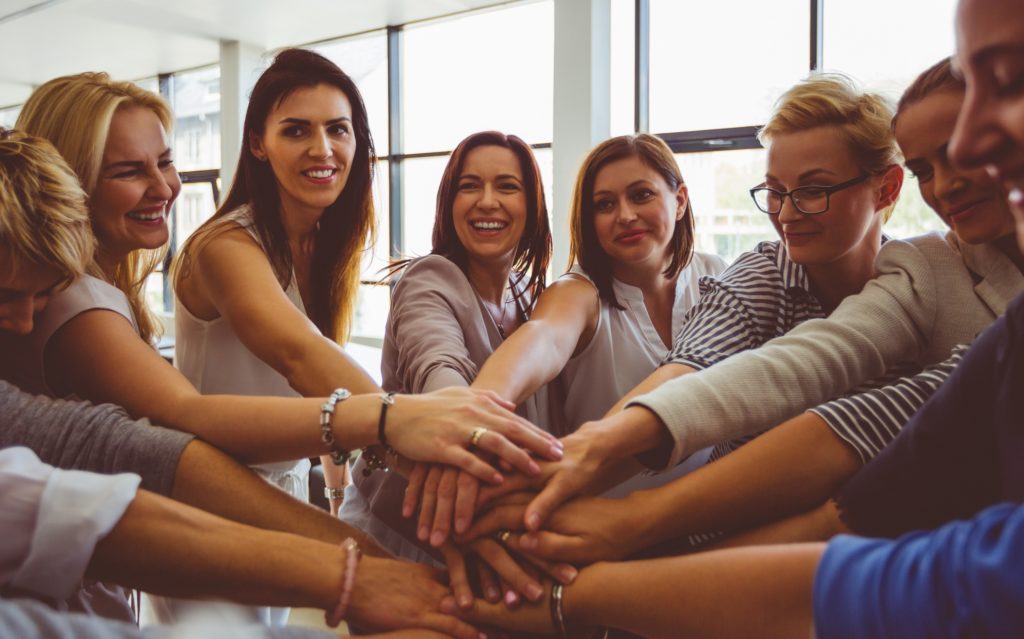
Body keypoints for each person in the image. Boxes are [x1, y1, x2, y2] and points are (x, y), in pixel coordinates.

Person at [444, 2, 1024, 636]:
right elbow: (716, 368)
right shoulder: (762, 274)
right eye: (774, 191)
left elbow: (891, 421)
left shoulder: (927, 272)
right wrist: (544, 446)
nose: (787, 210)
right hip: (764, 564)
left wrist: (631, 543)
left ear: (885, 191)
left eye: (813, 189)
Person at [3, 70, 560, 625]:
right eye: (296, 131)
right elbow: (282, 366)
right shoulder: (93, 294)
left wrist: (406, 461)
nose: (165, 187)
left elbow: (314, 366)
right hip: (191, 506)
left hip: (224, 500)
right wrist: (407, 432)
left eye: (166, 162)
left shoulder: (320, 244)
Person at [406, 133, 727, 548]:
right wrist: (467, 420)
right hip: (607, 538)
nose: (625, 215)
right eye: (604, 205)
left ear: (680, 200)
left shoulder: (716, 274)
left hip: (711, 523)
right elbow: (542, 338)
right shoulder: (577, 292)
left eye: (641, 195)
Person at [340, 131, 571, 606]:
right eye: (470, 186)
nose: (488, 202)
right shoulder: (430, 277)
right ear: (449, 202)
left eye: (507, 187)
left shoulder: (529, 295)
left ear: (533, 206)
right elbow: (438, 369)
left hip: (484, 520)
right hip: (402, 527)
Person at [172, 49, 381, 520]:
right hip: (208, 494)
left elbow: (327, 383)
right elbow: (300, 355)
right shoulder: (224, 245)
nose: (322, 149)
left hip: (283, 490)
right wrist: (404, 423)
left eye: (337, 129)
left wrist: (335, 497)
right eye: (296, 130)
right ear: (258, 144)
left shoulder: (323, 244)